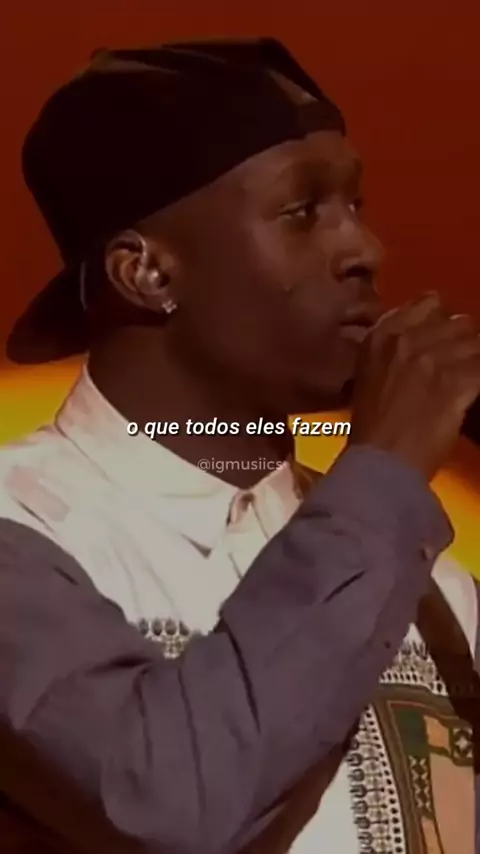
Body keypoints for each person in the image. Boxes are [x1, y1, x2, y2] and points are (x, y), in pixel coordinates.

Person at [0, 38, 479, 853]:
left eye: (356, 205)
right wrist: (387, 469)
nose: (366, 251)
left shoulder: (436, 582)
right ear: (147, 273)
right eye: (303, 211)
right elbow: (167, 800)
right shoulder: (24, 526)